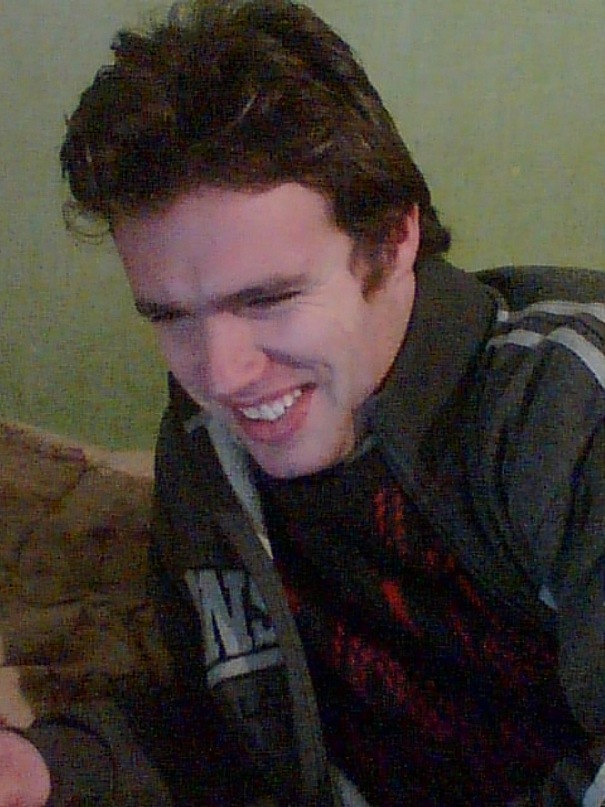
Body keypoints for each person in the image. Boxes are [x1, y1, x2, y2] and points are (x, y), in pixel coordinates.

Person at [1, 0, 603, 804]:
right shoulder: (205, 440)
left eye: (268, 298)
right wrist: (46, 767)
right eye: (170, 317)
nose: (221, 374)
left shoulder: (565, 411)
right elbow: (242, 726)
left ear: (393, 240)